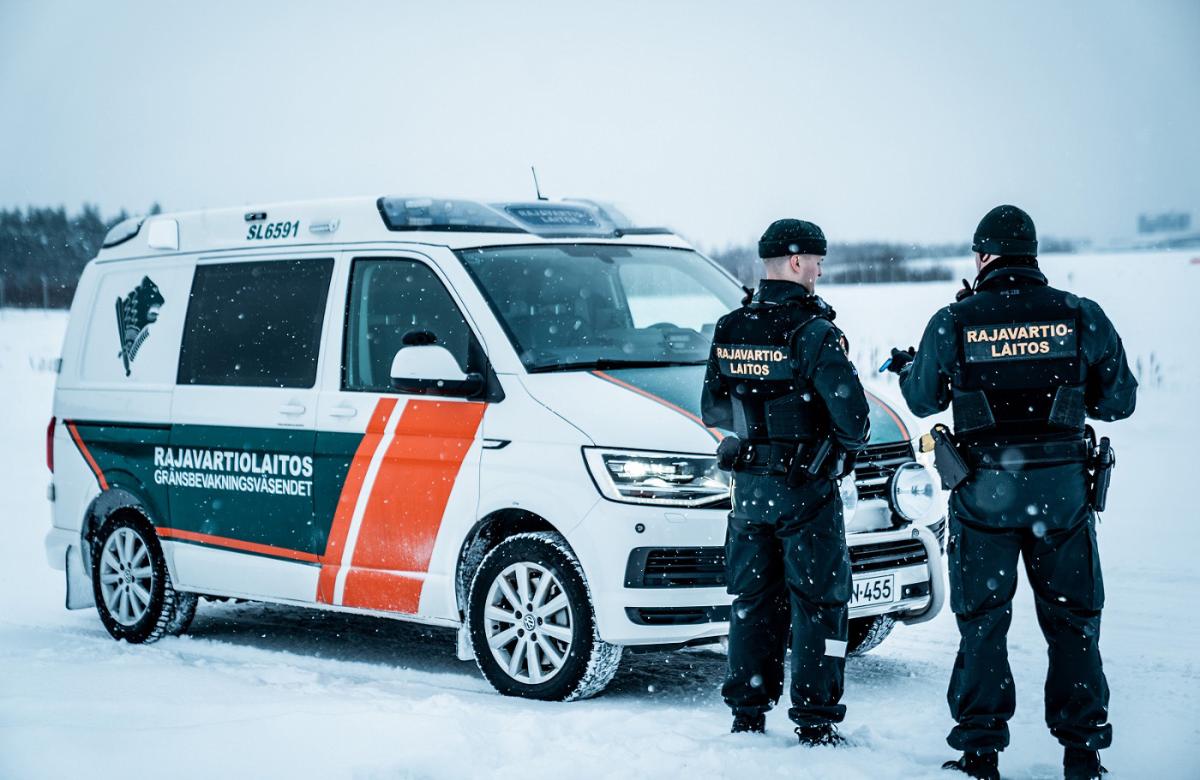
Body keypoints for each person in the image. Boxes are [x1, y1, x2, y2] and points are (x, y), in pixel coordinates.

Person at [886, 205, 1137, 780]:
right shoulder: (1080, 314)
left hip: (984, 496)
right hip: (1063, 498)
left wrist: (912, 368)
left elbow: (923, 399)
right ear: (1032, 255)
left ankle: (980, 754)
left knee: (983, 623)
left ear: (983, 257)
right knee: (1073, 621)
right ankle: (1083, 753)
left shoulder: (956, 319)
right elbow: (1118, 402)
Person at [701, 218, 870, 746]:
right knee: (818, 603)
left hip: (750, 492)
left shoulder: (731, 326)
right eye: (817, 261)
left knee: (752, 601)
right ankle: (815, 721)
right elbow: (856, 423)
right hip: (805, 490)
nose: (820, 271)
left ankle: (747, 713)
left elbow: (713, 407)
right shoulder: (814, 333)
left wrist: (757, 428)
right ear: (796, 263)